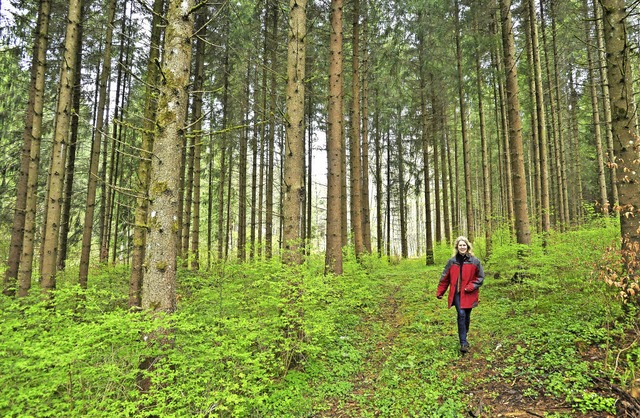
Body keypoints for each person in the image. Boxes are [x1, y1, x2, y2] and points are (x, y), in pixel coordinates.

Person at [436, 236, 485, 353]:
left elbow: (480, 278)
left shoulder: (475, 261)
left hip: (469, 293)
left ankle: (464, 334)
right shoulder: (452, 261)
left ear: (467, 247)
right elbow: (445, 278)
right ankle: (463, 343)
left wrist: (471, 286)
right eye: (460, 245)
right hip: (457, 294)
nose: (462, 247)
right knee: (461, 314)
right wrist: (440, 292)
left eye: (464, 245)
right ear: (457, 247)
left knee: (467, 317)